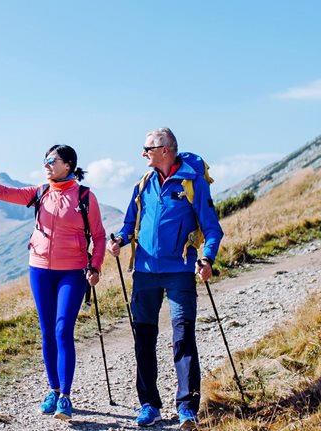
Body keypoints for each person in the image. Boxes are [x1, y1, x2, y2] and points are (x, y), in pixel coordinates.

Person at [0, 145, 106, 421]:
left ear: (68, 165)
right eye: (45, 160)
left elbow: (100, 237)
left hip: (73, 271)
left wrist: (95, 266)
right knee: (46, 332)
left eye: (51, 160)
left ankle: (65, 397)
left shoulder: (84, 197)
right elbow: (1, 192)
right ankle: (53, 390)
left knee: (62, 330)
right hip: (40, 269)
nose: (46, 164)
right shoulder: (40, 193)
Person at [107, 128, 224, 429]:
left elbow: (212, 228)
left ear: (165, 149)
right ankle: (149, 404)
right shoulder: (143, 184)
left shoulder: (192, 183)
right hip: (145, 272)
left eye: (146, 148)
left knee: (183, 337)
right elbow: (130, 225)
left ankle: (187, 408)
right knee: (143, 338)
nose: (142, 153)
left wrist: (207, 258)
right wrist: (119, 240)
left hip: (180, 270)